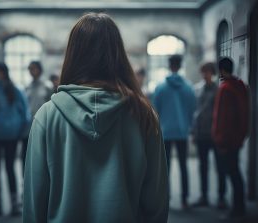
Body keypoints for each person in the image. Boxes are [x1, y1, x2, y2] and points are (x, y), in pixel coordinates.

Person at [23, 13, 168, 223]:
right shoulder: (144, 115)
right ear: (119, 54)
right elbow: (156, 202)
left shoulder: (47, 116)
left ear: (73, 54)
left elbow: (34, 203)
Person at [0, 62, 29, 216]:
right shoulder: (11, 90)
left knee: (6, 169)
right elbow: (25, 114)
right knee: (0, 169)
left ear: (3, 72)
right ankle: (3, 204)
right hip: (5, 135)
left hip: (2, 135)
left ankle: (10, 205)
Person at [153, 54, 196, 209]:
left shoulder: (160, 88)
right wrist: (189, 127)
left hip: (165, 131)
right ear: (180, 65)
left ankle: (166, 198)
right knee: (184, 166)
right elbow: (193, 109)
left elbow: (154, 110)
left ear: (169, 65)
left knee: (166, 168)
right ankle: (184, 199)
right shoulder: (189, 87)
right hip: (182, 131)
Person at [212, 57, 249, 218]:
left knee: (232, 173)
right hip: (237, 137)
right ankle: (239, 207)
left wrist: (219, 139)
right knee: (236, 173)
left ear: (221, 70)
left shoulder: (225, 88)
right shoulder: (240, 85)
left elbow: (222, 118)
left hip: (226, 140)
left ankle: (237, 210)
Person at [191, 62, 227, 208]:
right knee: (203, 167)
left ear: (212, 73)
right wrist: (193, 132)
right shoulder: (197, 90)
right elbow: (195, 113)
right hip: (201, 134)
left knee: (220, 166)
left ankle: (221, 197)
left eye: (207, 72)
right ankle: (204, 196)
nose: (205, 75)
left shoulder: (218, 90)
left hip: (215, 134)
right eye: (203, 72)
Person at [21, 61, 52, 172]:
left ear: (39, 69)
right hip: (28, 127)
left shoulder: (47, 86)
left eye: (33, 68)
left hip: (43, 126)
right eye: (29, 69)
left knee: (42, 156)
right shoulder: (27, 87)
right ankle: (25, 181)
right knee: (25, 155)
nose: (31, 71)